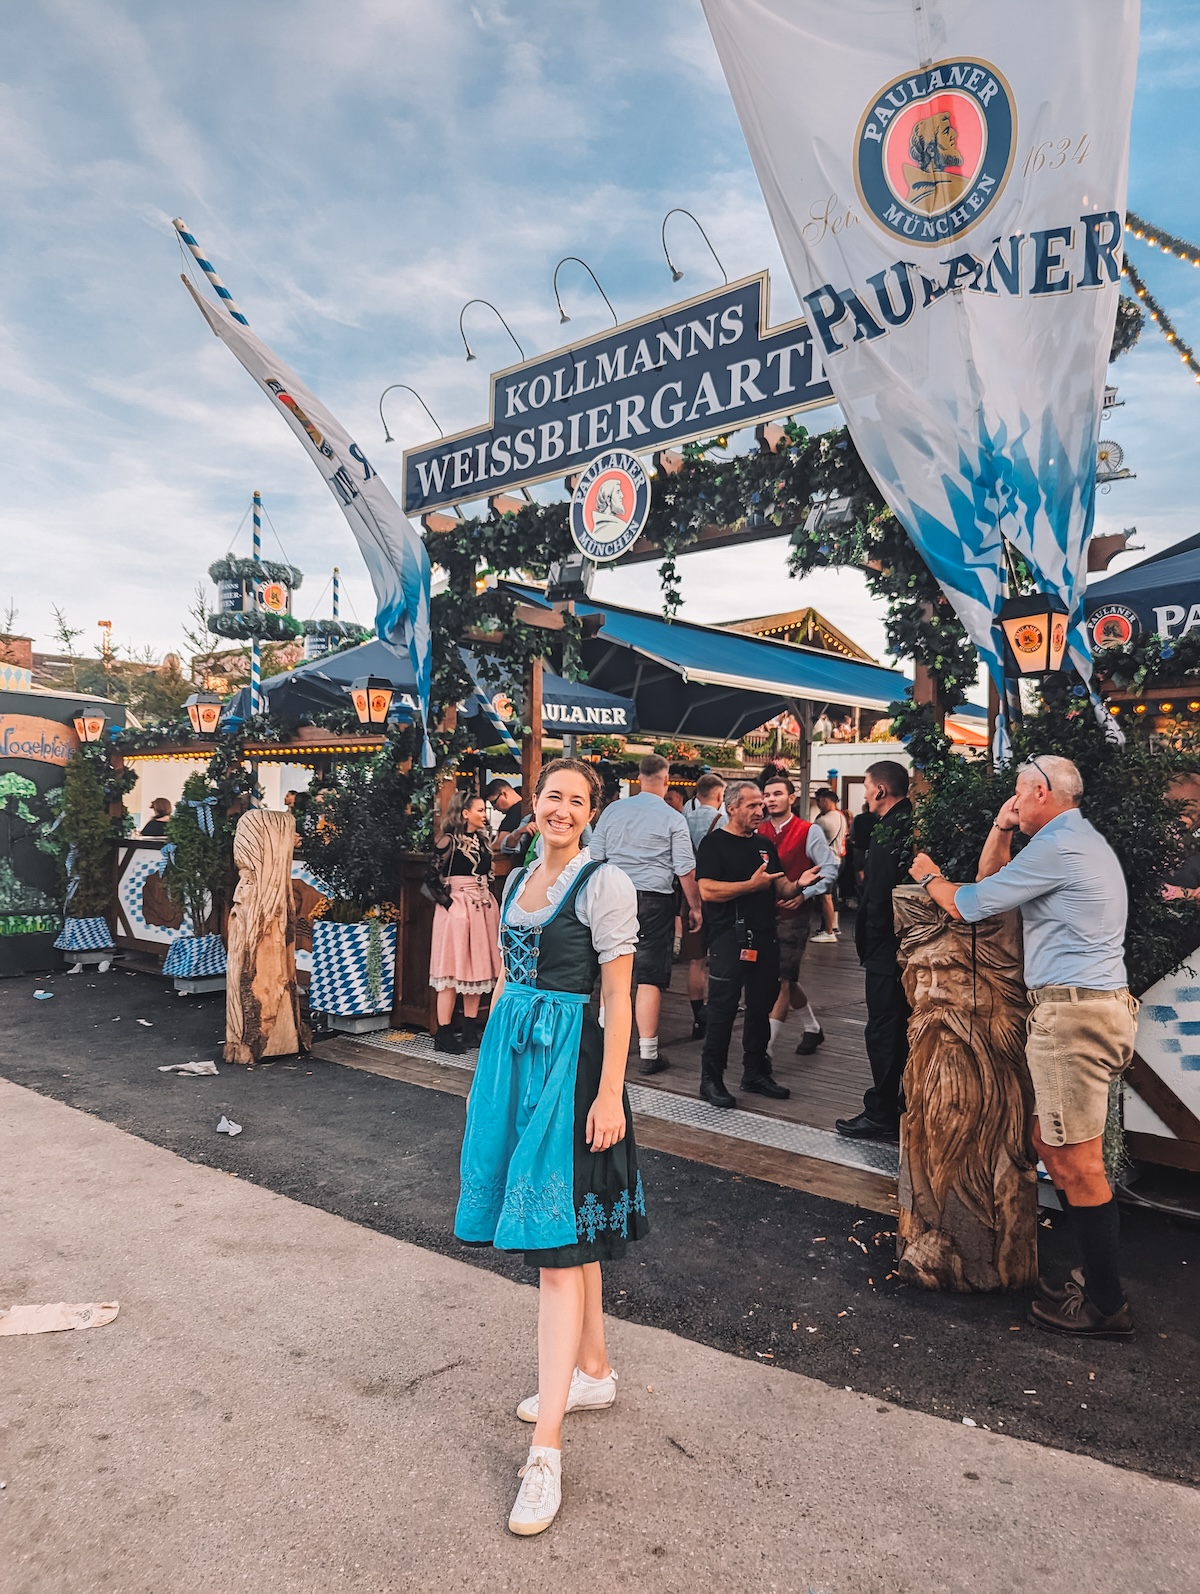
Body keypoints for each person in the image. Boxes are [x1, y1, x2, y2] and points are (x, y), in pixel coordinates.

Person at [455, 758, 645, 1535]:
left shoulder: (606, 884)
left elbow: (619, 996)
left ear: (592, 812)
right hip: (516, 1055)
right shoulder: (515, 880)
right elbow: (506, 981)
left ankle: (545, 1454)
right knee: (568, 1236)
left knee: (556, 1248)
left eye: (576, 800)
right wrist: (487, 1076)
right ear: (533, 805)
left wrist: (608, 1094)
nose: (561, 809)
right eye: (552, 797)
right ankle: (591, 1372)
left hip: (575, 1064)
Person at [910, 755, 1138, 1341]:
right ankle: (1095, 1277)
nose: (1013, 802)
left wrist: (929, 875)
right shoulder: (1069, 840)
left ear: (1040, 791)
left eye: (1017, 794)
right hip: (1087, 1008)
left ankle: (1106, 1306)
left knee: (1075, 1162)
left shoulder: (1061, 846)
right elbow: (993, 886)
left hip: (1074, 1017)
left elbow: (967, 904)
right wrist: (1001, 827)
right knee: (1051, 1144)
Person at [695, 778, 819, 1107]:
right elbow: (707, 890)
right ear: (731, 807)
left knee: (760, 1008)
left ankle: (755, 1071)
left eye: (760, 805)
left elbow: (779, 888)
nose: (759, 810)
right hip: (728, 938)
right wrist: (750, 886)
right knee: (722, 1010)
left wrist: (800, 884)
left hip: (765, 937)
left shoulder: (763, 845)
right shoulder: (714, 844)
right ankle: (711, 1078)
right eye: (751, 805)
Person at [589, 753, 702, 1075]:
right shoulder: (672, 818)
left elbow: (595, 857)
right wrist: (694, 908)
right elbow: (685, 869)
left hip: (613, 895)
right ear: (666, 780)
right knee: (650, 976)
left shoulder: (613, 810)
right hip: (655, 900)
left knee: (613, 969)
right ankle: (648, 1053)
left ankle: (603, 1043)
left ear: (638, 778)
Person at [835, 761, 913, 1141]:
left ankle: (881, 1110)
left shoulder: (889, 830)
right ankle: (899, 1103)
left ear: (881, 790)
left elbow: (880, 894)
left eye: (866, 787)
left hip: (889, 949)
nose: (865, 794)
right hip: (903, 945)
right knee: (898, 1027)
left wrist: (873, 943)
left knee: (884, 1030)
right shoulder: (910, 821)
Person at [758, 774, 838, 1057]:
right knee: (784, 977)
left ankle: (764, 1050)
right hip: (762, 915)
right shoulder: (759, 830)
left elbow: (830, 869)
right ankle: (813, 1028)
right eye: (767, 795)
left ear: (792, 798)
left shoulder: (808, 831)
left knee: (781, 979)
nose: (771, 799)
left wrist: (805, 895)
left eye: (777, 793)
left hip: (794, 915)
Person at [428, 792, 502, 1053]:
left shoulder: (482, 840)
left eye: (485, 810)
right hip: (458, 909)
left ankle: (470, 1029)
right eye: (480, 810)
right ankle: (444, 1032)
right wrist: (450, 905)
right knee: (451, 969)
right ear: (464, 813)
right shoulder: (448, 841)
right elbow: (431, 878)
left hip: (482, 907)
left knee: (477, 968)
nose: (484, 814)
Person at [681, 773, 726, 1039]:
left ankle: (698, 1018)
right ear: (720, 796)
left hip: (690, 895)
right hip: (718, 894)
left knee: (695, 961)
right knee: (720, 957)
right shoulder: (724, 821)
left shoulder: (681, 820)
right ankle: (717, 1011)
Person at [810, 788, 847, 942]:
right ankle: (833, 926)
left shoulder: (823, 821)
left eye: (818, 801)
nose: (818, 805)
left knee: (825, 897)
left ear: (825, 800)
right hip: (837, 859)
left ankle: (828, 932)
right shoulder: (841, 816)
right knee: (832, 895)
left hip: (825, 862)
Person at [487, 778, 535, 859]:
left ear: (504, 794)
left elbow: (499, 845)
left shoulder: (514, 811)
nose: (494, 808)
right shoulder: (524, 813)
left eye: (494, 802)